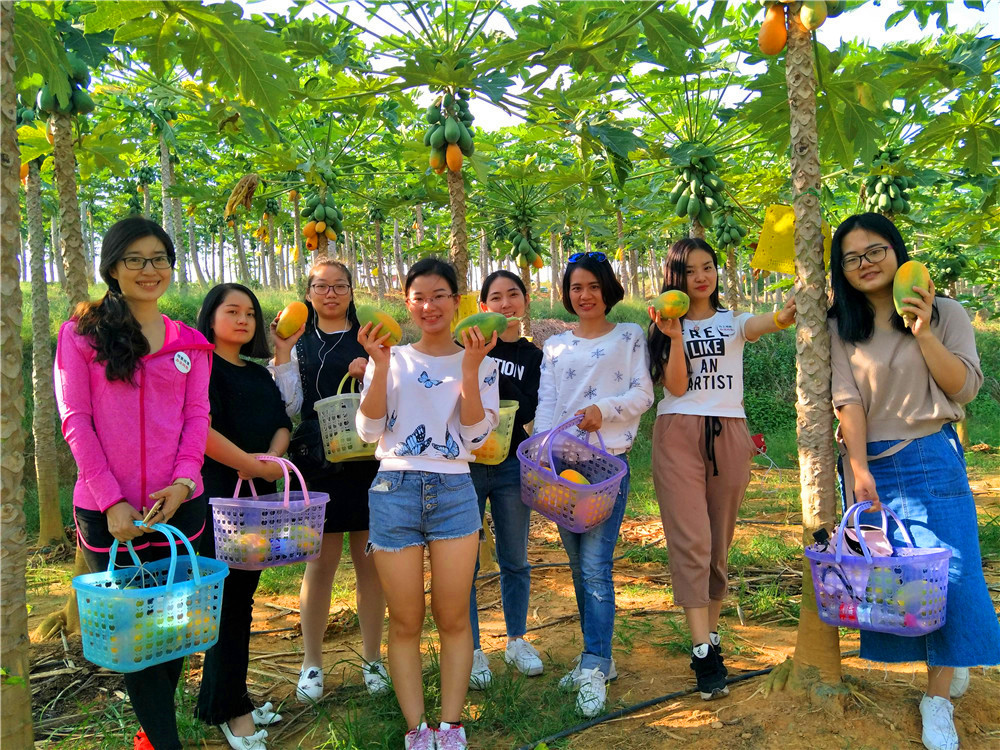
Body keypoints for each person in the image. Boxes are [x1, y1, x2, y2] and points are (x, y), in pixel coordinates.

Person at [827, 213, 1000, 750]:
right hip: (869, 463)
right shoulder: (840, 324)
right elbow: (847, 399)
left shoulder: (946, 312)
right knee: (893, 582)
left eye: (875, 251)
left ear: (898, 252)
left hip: (932, 455)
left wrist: (923, 330)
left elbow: (963, 389)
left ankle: (938, 698)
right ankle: (946, 662)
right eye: (853, 258)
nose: (866, 264)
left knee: (953, 576)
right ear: (842, 270)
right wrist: (859, 469)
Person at [54, 217, 213, 750]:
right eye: (135, 260)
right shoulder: (80, 335)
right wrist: (110, 499)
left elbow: (197, 420)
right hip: (108, 514)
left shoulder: (191, 343)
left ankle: (151, 735)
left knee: (174, 630)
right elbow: (75, 418)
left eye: (160, 259)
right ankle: (166, 743)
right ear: (113, 267)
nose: (150, 270)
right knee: (134, 634)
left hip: (179, 509)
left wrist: (186, 482)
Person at [356, 257, 500, 750]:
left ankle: (451, 724)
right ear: (407, 302)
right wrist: (377, 367)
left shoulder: (481, 360)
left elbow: (478, 436)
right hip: (394, 491)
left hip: (456, 491)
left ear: (457, 301)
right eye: (419, 296)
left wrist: (471, 370)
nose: (429, 305)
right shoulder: (392, 358)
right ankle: (417, 730)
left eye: (440, 294)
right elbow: (368, 430)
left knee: (454, 615)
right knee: (406, 620)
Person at [647, 237, 795, 701]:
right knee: (690, 539)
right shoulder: (664, 326)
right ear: (677, 277)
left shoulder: (732, 322)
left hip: (730, 432)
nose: (702, 277)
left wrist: (792, 307)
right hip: (678, 433)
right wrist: (673, 339)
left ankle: (711, 636)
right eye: (691, 271)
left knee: (718, 542)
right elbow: (675, 386)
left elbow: (769, 321)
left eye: (708, 267)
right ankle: (701, 652)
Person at [534, 251, 655, 717]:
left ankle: (595, 661)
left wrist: (603, 411)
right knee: (577, 563)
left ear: (608, 289)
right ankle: (596, 658)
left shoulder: (628, 336)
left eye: (593, 286)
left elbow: (643, 393)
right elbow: (547, 402)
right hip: (561, 465)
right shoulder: (555, 347)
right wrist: (542, 453)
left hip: (606, 465)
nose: (584, 296)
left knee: (595, 565)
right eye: (576, 288)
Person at [267, 258, 388, 701]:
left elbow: (396, 390)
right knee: (319, 564)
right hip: (318, 460)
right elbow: (289, 404)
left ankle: (372, 660)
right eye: (322, 286)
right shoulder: (298, 339)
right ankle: (311, 664)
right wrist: (282, 352)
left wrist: (372, 368)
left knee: (371, 564)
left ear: (352, 291)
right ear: (309, 292)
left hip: (370, 458)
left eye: (340, 286)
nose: (331, 293)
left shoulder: (371, 335)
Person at [193, 284, 292, 750]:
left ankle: (226, 698)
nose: (243, 320)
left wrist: (271, 459)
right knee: (228, 602)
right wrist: (250, 465)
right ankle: (232, 712)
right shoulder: (199, 367)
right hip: (218, 497)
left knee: (241, 598)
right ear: (210, 316)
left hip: (259, 495)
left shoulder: (257, 374)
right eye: (231, 311)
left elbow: (281, 423)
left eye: (250, 313)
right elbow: (198, 428)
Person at [466, 271, 544, 689]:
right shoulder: (468, 347)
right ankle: (473, 648)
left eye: (513, 294)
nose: (505, 303)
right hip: (469, 464)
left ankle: (516, 640)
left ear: (525, 301)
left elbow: (530, 403)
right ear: (483, 307)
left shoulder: (533, 356)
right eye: (495, 297)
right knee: (465, 564)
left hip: (513, 463)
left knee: (515, 556)